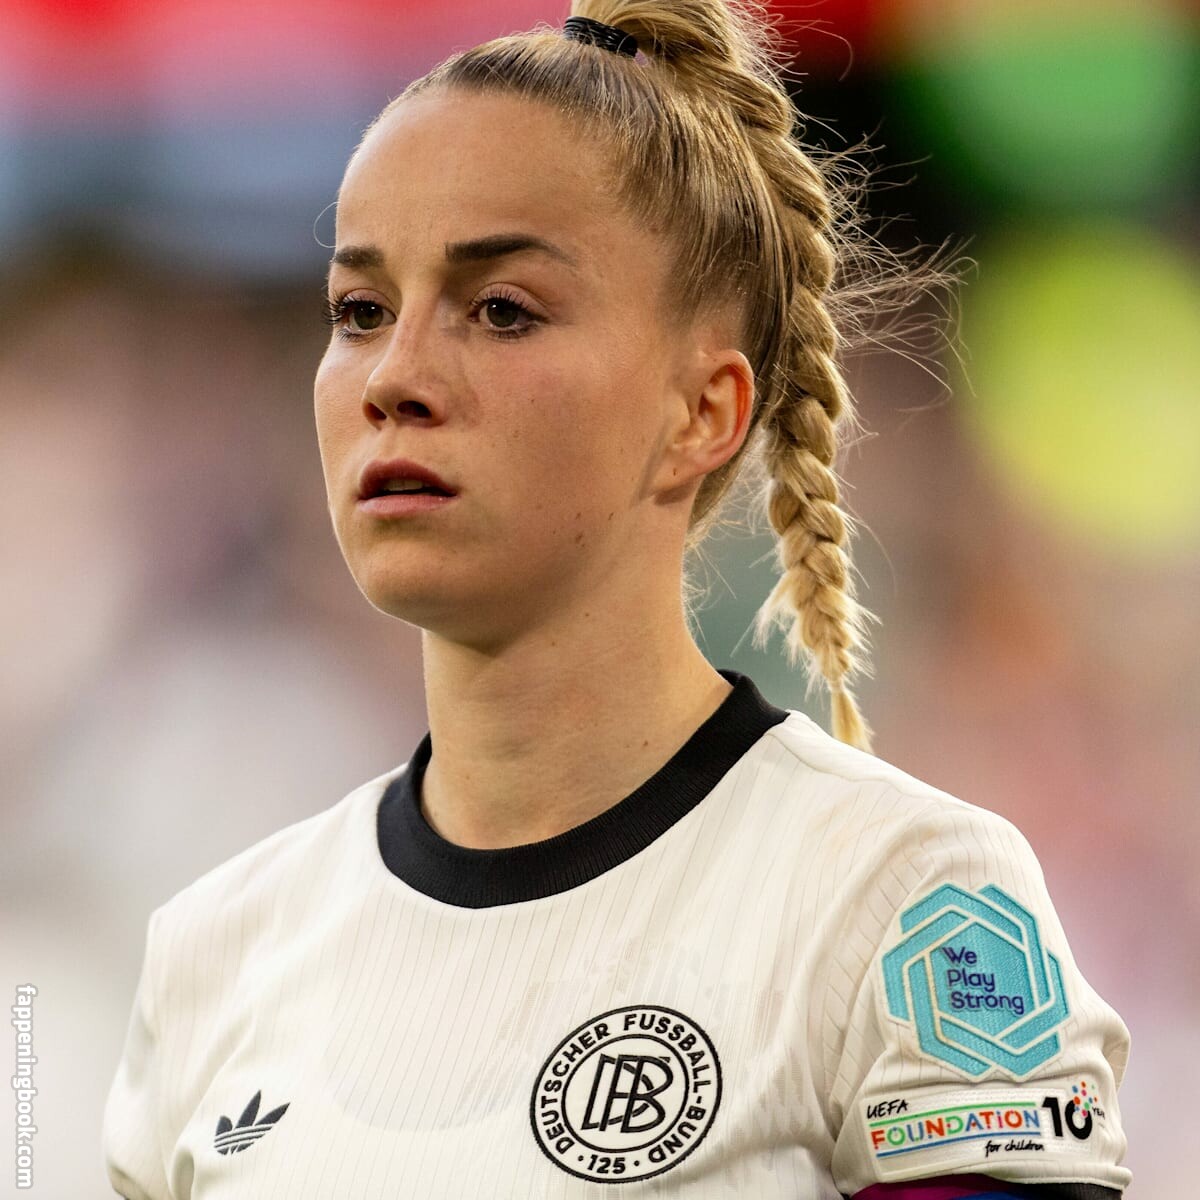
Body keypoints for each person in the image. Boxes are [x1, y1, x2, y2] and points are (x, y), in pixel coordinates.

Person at [103, 2, 1131, 1196]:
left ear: (703, 412)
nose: (394, 378)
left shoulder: (909, 904)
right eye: (360, 311)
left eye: (502, 309)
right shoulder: (214, 953)